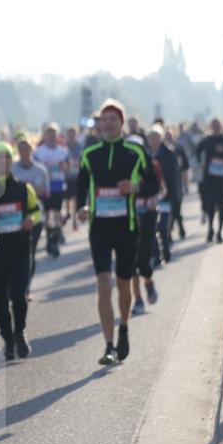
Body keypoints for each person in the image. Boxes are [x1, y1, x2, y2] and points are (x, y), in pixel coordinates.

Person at [74, 99, 158, 365]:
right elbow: (81, 187)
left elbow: (153, 183)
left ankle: (124, 329)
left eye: (113, 119)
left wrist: (136, 189)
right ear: (100, 124)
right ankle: (109, 345)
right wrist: (82, 208)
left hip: (127, 227)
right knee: (102, 285)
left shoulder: (135, 150)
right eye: (104, 120)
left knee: (123, 285)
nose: (108, 124)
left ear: (121, 123)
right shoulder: (90, 153)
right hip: (99, 228)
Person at [0, 142, 42, 363]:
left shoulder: (23, 188)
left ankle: (20, 333)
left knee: (18, 295)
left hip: (20, 251)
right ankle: (7, 341)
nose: (2, 162)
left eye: (6, 158)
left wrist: (30, 220)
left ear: (11, 161)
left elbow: (37, 212)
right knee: (0, 301)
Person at [127, 134, 163, 316]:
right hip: (127, 217)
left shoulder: (151, 166)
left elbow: (158, 188)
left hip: (147, 215)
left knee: (143, 259)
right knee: (130, 261)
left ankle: (148, 281)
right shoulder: (121, 167)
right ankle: (138, 299)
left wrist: (142, 191)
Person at [10, 137, 49, 294]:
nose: (24, 153)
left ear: (31, 151)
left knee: (30, 250)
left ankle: (26, 287)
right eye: (21, 150)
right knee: (15, 251)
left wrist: (27, 189)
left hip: (35, 215)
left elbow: (43, 192)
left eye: (27, 150)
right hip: (15, 215)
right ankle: (16, 284)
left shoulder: (40, 170)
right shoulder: (12, 169)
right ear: (18, 152)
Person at [196, 118, 223, 243]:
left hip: (222, 179)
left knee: (222, 206)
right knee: (210, 206)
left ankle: (220, 232)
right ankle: (210, 229)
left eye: (217, 126)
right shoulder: (206, 141)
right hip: (209, 179)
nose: (215, 128)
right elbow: (197, 152)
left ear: (221, 127)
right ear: (210, 127)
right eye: (213, 126)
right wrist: (201, 163)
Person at [33, 122, 70, 258]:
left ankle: (53, 240)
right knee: (47, 215)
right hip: (44, 187)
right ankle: (50, 237)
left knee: (55, 213)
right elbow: (35, 168)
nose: (51, 137)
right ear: (44, 136)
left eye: (53, 134)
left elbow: (67, 166)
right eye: (49, 134)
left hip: (57, 185)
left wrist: (63, 167)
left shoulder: (62, 151)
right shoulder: (39, 151)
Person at [148, 125, 182, 264]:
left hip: (166, 197)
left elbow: (174, 176)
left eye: (156, 138)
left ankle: (166, 251)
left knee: (162, 227)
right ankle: (156, 255)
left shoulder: (169, 153)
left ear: (160, 138)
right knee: (152, 227)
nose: (154, 141)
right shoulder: (147, 154)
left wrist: (175, 196)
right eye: (151, 138)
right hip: (152, 197)